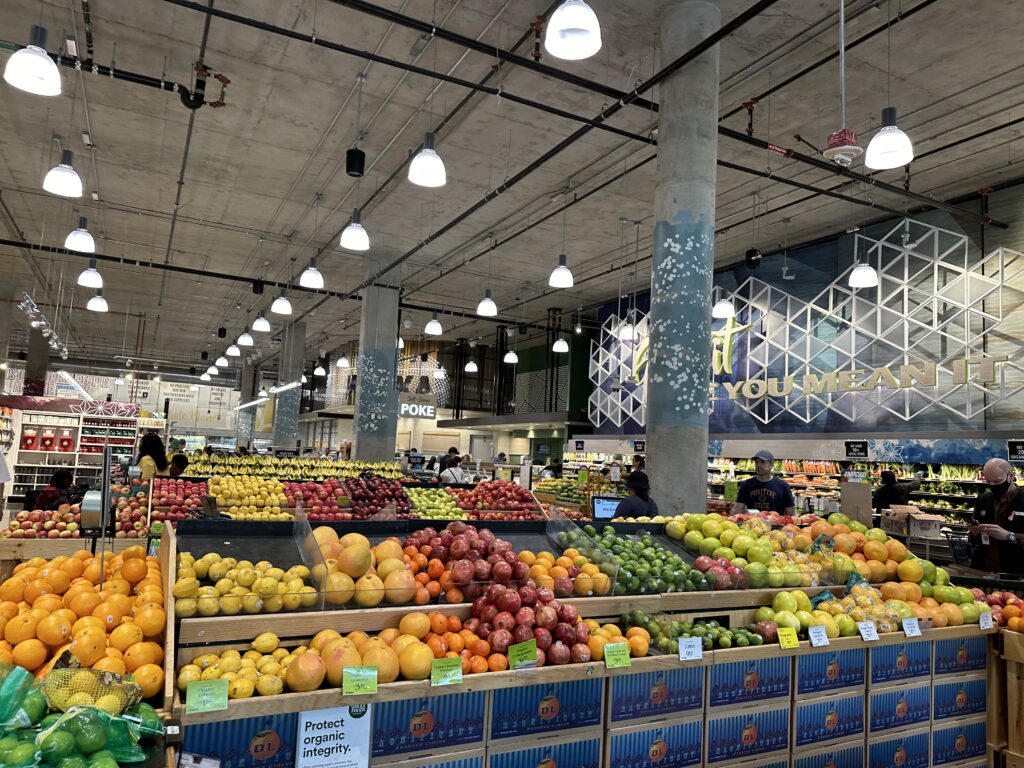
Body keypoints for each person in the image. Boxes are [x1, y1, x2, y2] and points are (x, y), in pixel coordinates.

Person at [969, 458, 1024, 572]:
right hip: (983, 568)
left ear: (1010, 476)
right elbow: (973, 539)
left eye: (997, 481)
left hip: (1015, 571)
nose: (992, 485)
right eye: (988, 482)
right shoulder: (983, 500)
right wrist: (974, 533)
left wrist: (1008, 536)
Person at [732, 450, 795, 515]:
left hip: (776, 521)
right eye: (757, 462)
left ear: (771, 465)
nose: (758, 465)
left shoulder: (783, 486)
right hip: (753, 521)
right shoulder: (746, 485)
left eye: (762, 462)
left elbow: (790, 513)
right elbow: (737, 510)